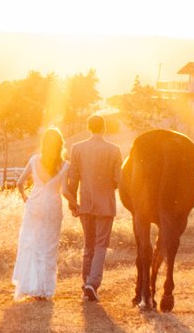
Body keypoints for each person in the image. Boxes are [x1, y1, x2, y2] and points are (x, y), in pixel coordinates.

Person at [60, 113, 122, 302]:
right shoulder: (114, 150)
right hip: (105, 205)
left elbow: (73, 178)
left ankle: (85, 283)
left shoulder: (77, 148)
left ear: (89, 127)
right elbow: (118, 180)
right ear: (104, 128)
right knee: (101, 245)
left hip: (85, 204)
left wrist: (73, 204)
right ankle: (92, 284)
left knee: (88, 246)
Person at [12, 127, 70, 299]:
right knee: (49, 247)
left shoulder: (35, 160)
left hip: (35, 204)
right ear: (60, 145)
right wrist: (76, 205)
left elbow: (19, 183)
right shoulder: (65, 165)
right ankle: (44, 290)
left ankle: (31, 285)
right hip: (52, 205)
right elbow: (65, 192)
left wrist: (25, 198)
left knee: (32, 243)